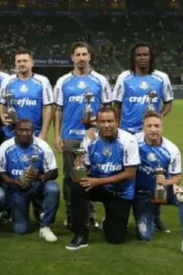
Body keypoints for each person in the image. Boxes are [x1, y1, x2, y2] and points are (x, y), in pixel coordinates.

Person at [114, 42, 174, 232]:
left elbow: (169, 101)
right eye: (138, 55)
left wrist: (159, 118)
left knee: (153, 176)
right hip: (129, 133)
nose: (142, 58)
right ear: (134, 58)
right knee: (126, 176)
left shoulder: (161, 77)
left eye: (145, 55)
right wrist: (117, 126)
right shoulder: (124, 77)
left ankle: (155, 216)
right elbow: (117, 104)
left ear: (150, 57)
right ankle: (118, 214)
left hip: (149, 136)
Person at [54, 42, 112, 229]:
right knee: (71, 177)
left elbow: (107, 109)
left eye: (84, 54)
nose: (81, 58)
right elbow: (58, 109)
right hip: (70, 135)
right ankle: (72, 215)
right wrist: (57, 135)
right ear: (72, 57)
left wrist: (97, 126)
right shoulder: (63, 81)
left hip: (93, 137)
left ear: (89, 57)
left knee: (92, 174)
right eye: (77, 54)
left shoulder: (100, 81)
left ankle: (90, 215)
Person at [66, 107, 139, 250]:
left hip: (120, 191)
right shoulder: (90, 138)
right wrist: (78, 167)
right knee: (76, 187)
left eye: (110, 121)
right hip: (98, 186)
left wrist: (98, 181)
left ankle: (110, 219)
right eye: (102, 121)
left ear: (117, 121)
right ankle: (81, 234)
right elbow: (84, 168)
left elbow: (130, 174)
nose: (106, 125)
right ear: (97, 123)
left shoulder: (128, 140)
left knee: (115, 239)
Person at [0, 119, 59, 242]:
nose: (24, 133)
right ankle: (27, 211)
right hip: (17, 189)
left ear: (33, 132)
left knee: (53, 188)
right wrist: (13, 182)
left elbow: (54, 172)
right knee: (20, 230)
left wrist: (40, 177)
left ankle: (45, 225)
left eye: (27, 130)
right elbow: (1, 172)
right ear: (15, 131)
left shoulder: (42, 146)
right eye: (21, 130)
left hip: (37, 186)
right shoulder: (5, 147)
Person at [132, 112, 183, 251]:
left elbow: (177, 177)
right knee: (145, 236)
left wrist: (166, 182)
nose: (153, 129)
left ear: (162, 127)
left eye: (156, 126)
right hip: (142, 193)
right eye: (149, 126)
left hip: (164, 190)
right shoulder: (133, 142)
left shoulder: (172, 149)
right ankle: (151, 216)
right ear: (143, 127)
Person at [0, 48, 54, 141]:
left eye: (25, 61)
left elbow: (48, 107)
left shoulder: (42, 81)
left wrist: (44, 133)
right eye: (19, 61)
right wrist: (2, 116)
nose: (22, 63)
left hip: (35, 133)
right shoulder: (7, 81)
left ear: (32, 63)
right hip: (11, 133)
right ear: (15, 64)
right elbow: (1, 103)